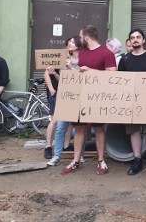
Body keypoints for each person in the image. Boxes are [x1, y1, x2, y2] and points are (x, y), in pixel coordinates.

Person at [61, 25, 116, 175]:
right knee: (78, 128)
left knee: (98, 128)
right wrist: (71, 70)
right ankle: (76, 160)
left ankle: (101, 160)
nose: (79, 40)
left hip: (99, 97)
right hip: (81, 96)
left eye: (80, 36)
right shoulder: (83, 53)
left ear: (86, 37)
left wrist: (92, 71)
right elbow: (80, 73)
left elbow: (113, 74)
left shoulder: (106, 53)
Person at [119, 29, 146, 180]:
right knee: (134, 132)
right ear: (130, 41)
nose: (135, 40)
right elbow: (120, 81)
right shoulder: (125, 59)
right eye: (132, 38)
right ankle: (137, 160)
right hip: (131, 101)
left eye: (138, 37)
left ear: (143, 40)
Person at [44, 35, 81, 164]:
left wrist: (71, 67)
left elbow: (82, 79)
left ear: (78, 45)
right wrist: (54, 73)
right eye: (69, 41)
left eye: (72, 42)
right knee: (60, 127)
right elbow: (62, 81)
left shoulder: (84, 60)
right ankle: (57, 155)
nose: (69, 43)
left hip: (79, 96)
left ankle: (79, 155)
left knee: (79, 129)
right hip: (64, 96)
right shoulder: (64, 58)